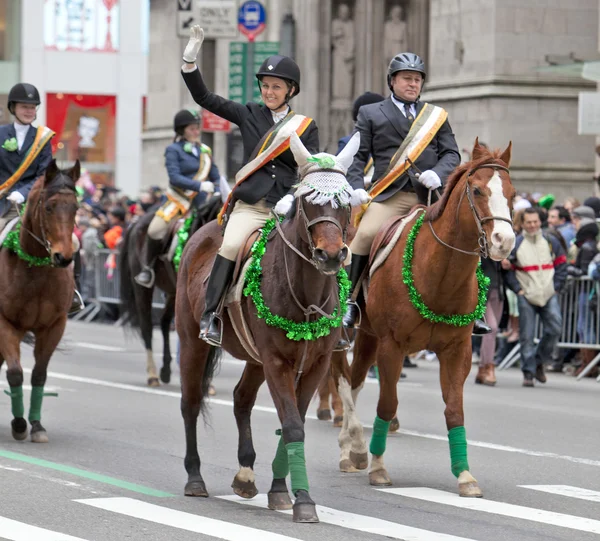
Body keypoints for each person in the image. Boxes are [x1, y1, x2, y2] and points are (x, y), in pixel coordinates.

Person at [180, 26, 320, 346]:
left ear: (291, 90)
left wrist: (292, 198)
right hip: (253, 206)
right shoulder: (247, 114)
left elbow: (309, 169)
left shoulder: (306, 127)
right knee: (229, 247)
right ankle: (211, 315)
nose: (269, 92)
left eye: (276, 87)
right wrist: (190, 63)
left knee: (321, 248)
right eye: (265, 85)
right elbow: (204, 97)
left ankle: (331, 315)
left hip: (287, 209)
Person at [340, 52, 490, 336]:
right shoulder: (371, 113)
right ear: (392, 81)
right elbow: (358, 156)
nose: (413, 84)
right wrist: (357, 186)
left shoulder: (435, 116)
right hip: (391, 196)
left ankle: (474, 309)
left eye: (417, 79)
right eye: (407, 78)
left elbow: (451, 153)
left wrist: (440, 172)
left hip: (431, 197)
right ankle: (351, 301)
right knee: (365, 235)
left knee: (468, 236)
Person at [0, 82, 83, 314]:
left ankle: (74, 291)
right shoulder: (1, 135)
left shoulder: (43, 139)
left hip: (34, 205)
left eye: (32, 107)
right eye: (24, 106)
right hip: (3, 205)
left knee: (73, 243)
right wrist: (7, 193)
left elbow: (43, 174)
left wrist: (23, 193)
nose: (29, 111)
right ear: (13, 108)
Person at [135, 109, 220, 287]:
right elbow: (175, 177)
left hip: (202, 203)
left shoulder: (205, 151)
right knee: (154, 230)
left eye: (197, 128)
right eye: (192, 129)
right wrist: (199, 185)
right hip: (178, 201)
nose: (196, 132)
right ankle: (148, 269)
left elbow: (215, 175)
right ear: (181, 131)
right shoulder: (173, 150)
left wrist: (217, 190)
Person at [504, 207, 567, 387]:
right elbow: (506, 270)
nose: (532, 225)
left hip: (548, 293)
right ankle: (529, 373)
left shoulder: (551, 240)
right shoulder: (516, 243)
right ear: (522, 224)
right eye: (528, 222)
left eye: (535, 222)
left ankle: (538, 361)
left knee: (555, 328)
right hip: (526, 294)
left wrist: (556, 288)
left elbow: (562, 264)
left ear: (540, 222)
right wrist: (518, 290)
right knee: (526, 335)